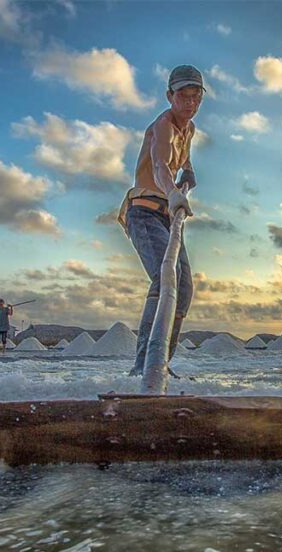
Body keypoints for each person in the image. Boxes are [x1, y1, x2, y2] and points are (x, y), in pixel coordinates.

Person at [116, 65, 204, 375]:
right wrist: (173, 192)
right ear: (170, 96)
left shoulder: (188, 129)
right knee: (165, 280)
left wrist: (189, 171)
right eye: (183, 96)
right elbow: (160, 165)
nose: (190, 103)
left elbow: (182, 156)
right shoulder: (163, 125)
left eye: (196, 97)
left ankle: (162, 364)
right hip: (143, 212)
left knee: (184, 288)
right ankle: (144, 365)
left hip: (166, 217)